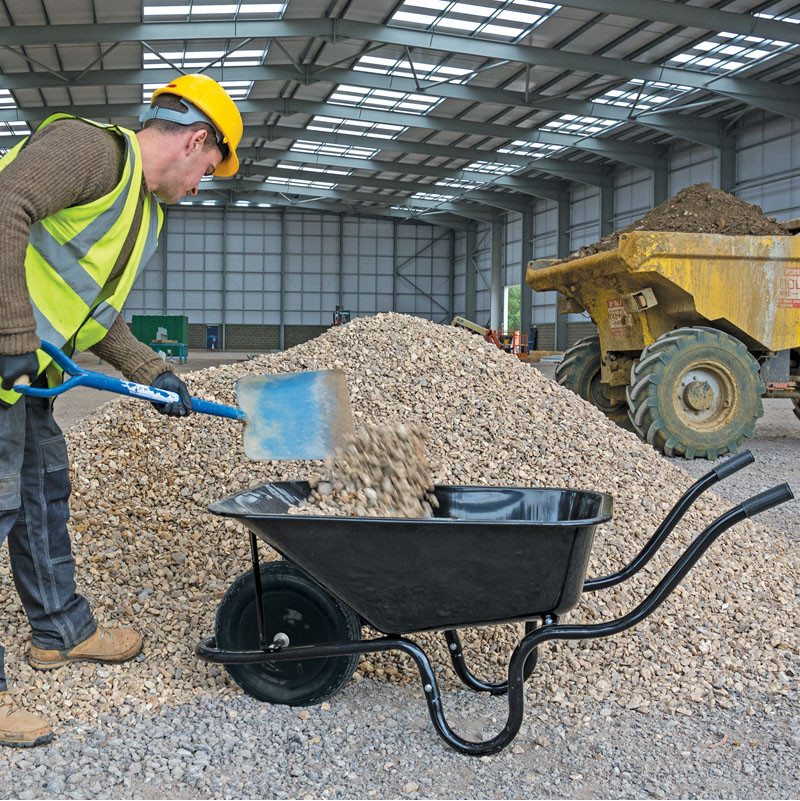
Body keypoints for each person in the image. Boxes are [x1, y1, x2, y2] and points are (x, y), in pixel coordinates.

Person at [0, 74, 242, 746]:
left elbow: (94, 312)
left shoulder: (144, 212)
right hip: (8, 355)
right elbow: (5, 205)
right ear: (195, 140)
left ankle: (60, 631)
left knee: (43, 494)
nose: (200, 187)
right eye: (209, 170)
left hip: (28, 376)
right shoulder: (90, 152)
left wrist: (151, 370)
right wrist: (13, 335)